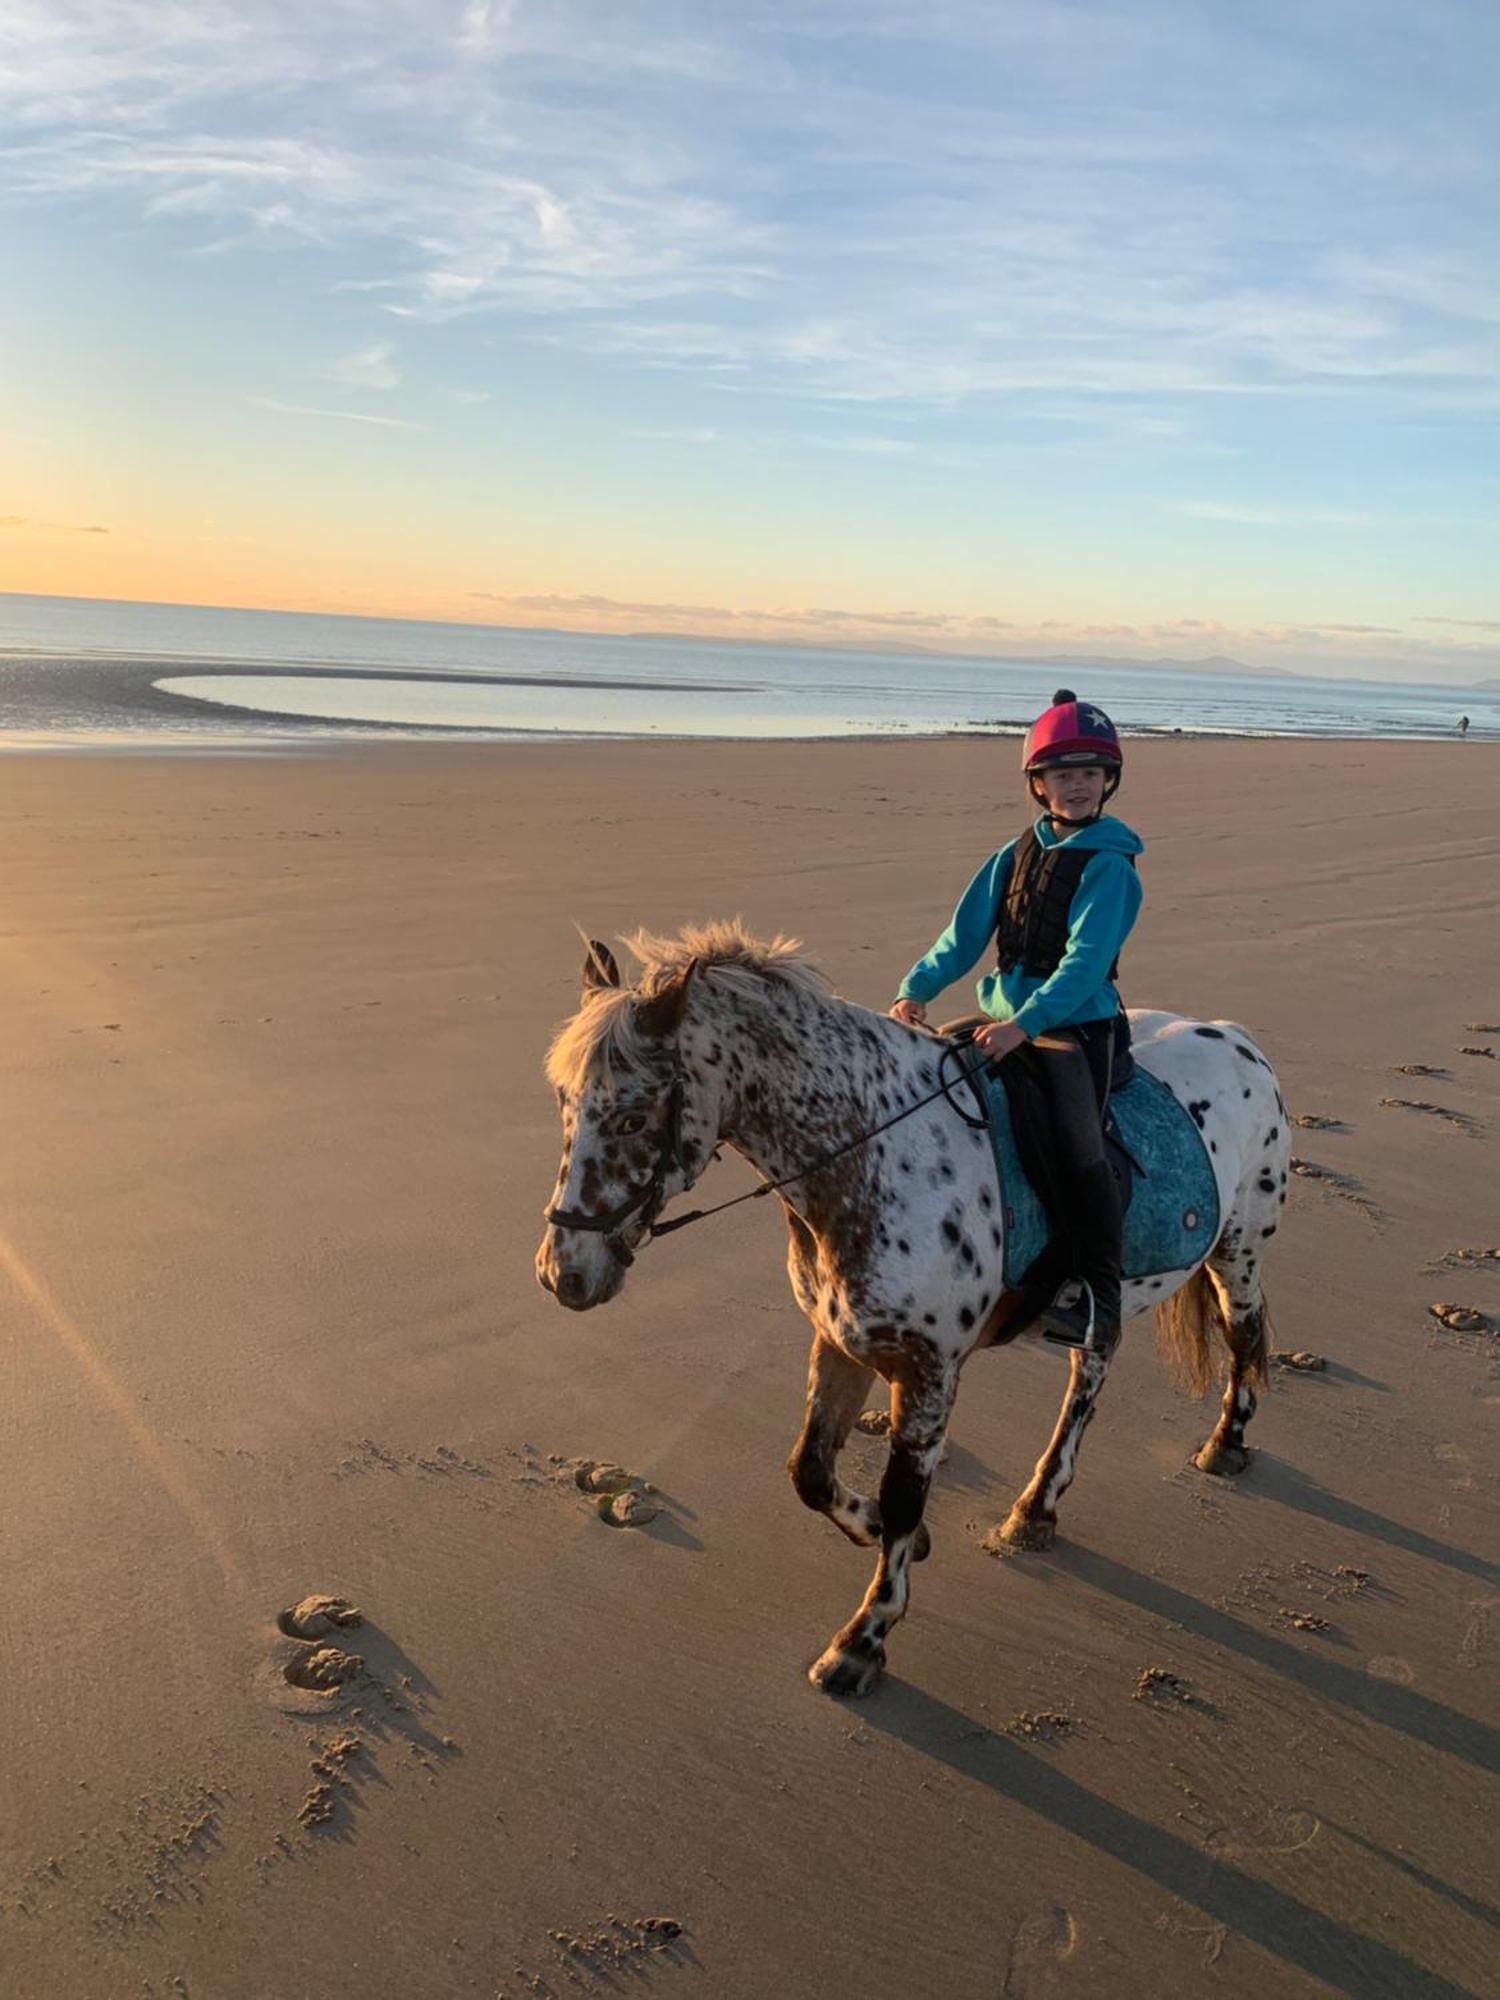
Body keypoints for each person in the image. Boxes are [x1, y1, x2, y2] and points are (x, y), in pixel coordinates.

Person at [889, 690, 1144, 1352]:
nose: (1079, 785)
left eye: (1091, 773)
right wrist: (916, 989)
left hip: (1072, 1028)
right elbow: (965, 934)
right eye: (1064, 774)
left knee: (1078, 1147)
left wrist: (1025, 1025)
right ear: (1039, 783)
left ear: (1108, 780)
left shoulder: (1111, 865)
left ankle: (1096, 1294)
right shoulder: (1014, 855)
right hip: (1001, 1018)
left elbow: (1085, 965)